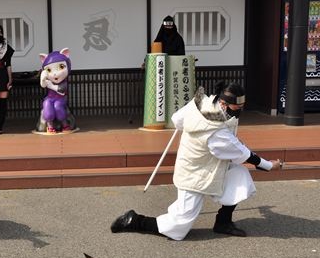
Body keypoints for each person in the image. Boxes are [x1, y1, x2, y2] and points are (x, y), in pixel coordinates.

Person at [110, 82, 282, 240]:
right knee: (178, 227)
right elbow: (243, 153)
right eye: (237, 107)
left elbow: (177, 119)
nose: (239, 111)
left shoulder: (202, 102)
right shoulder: (216, 131)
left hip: (209, 165)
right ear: (223, 103)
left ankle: (223, 222)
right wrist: (269, 165)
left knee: (238, 174)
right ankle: (135, 220)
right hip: (194, 173)